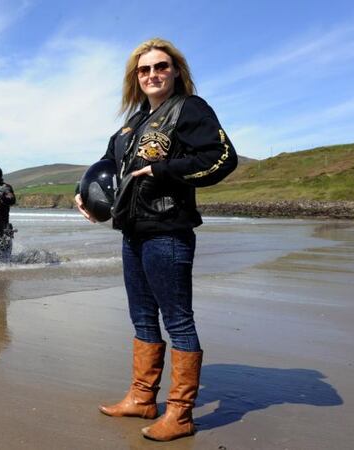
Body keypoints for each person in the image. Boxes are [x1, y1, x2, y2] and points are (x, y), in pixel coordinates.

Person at [74, 38, 237, 441]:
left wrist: (162, 171)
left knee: (178, 320)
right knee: (142, 317)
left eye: (161, 66)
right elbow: (107, 169)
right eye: (144, 70)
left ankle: (180, 414)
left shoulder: (190, 109)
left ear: (175, 71)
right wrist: (87, 198)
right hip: (132, 232)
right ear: (136, 77)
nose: (153, 75)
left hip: (168, 231)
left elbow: (221, 158)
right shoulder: (130, 125)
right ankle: (143, 397)